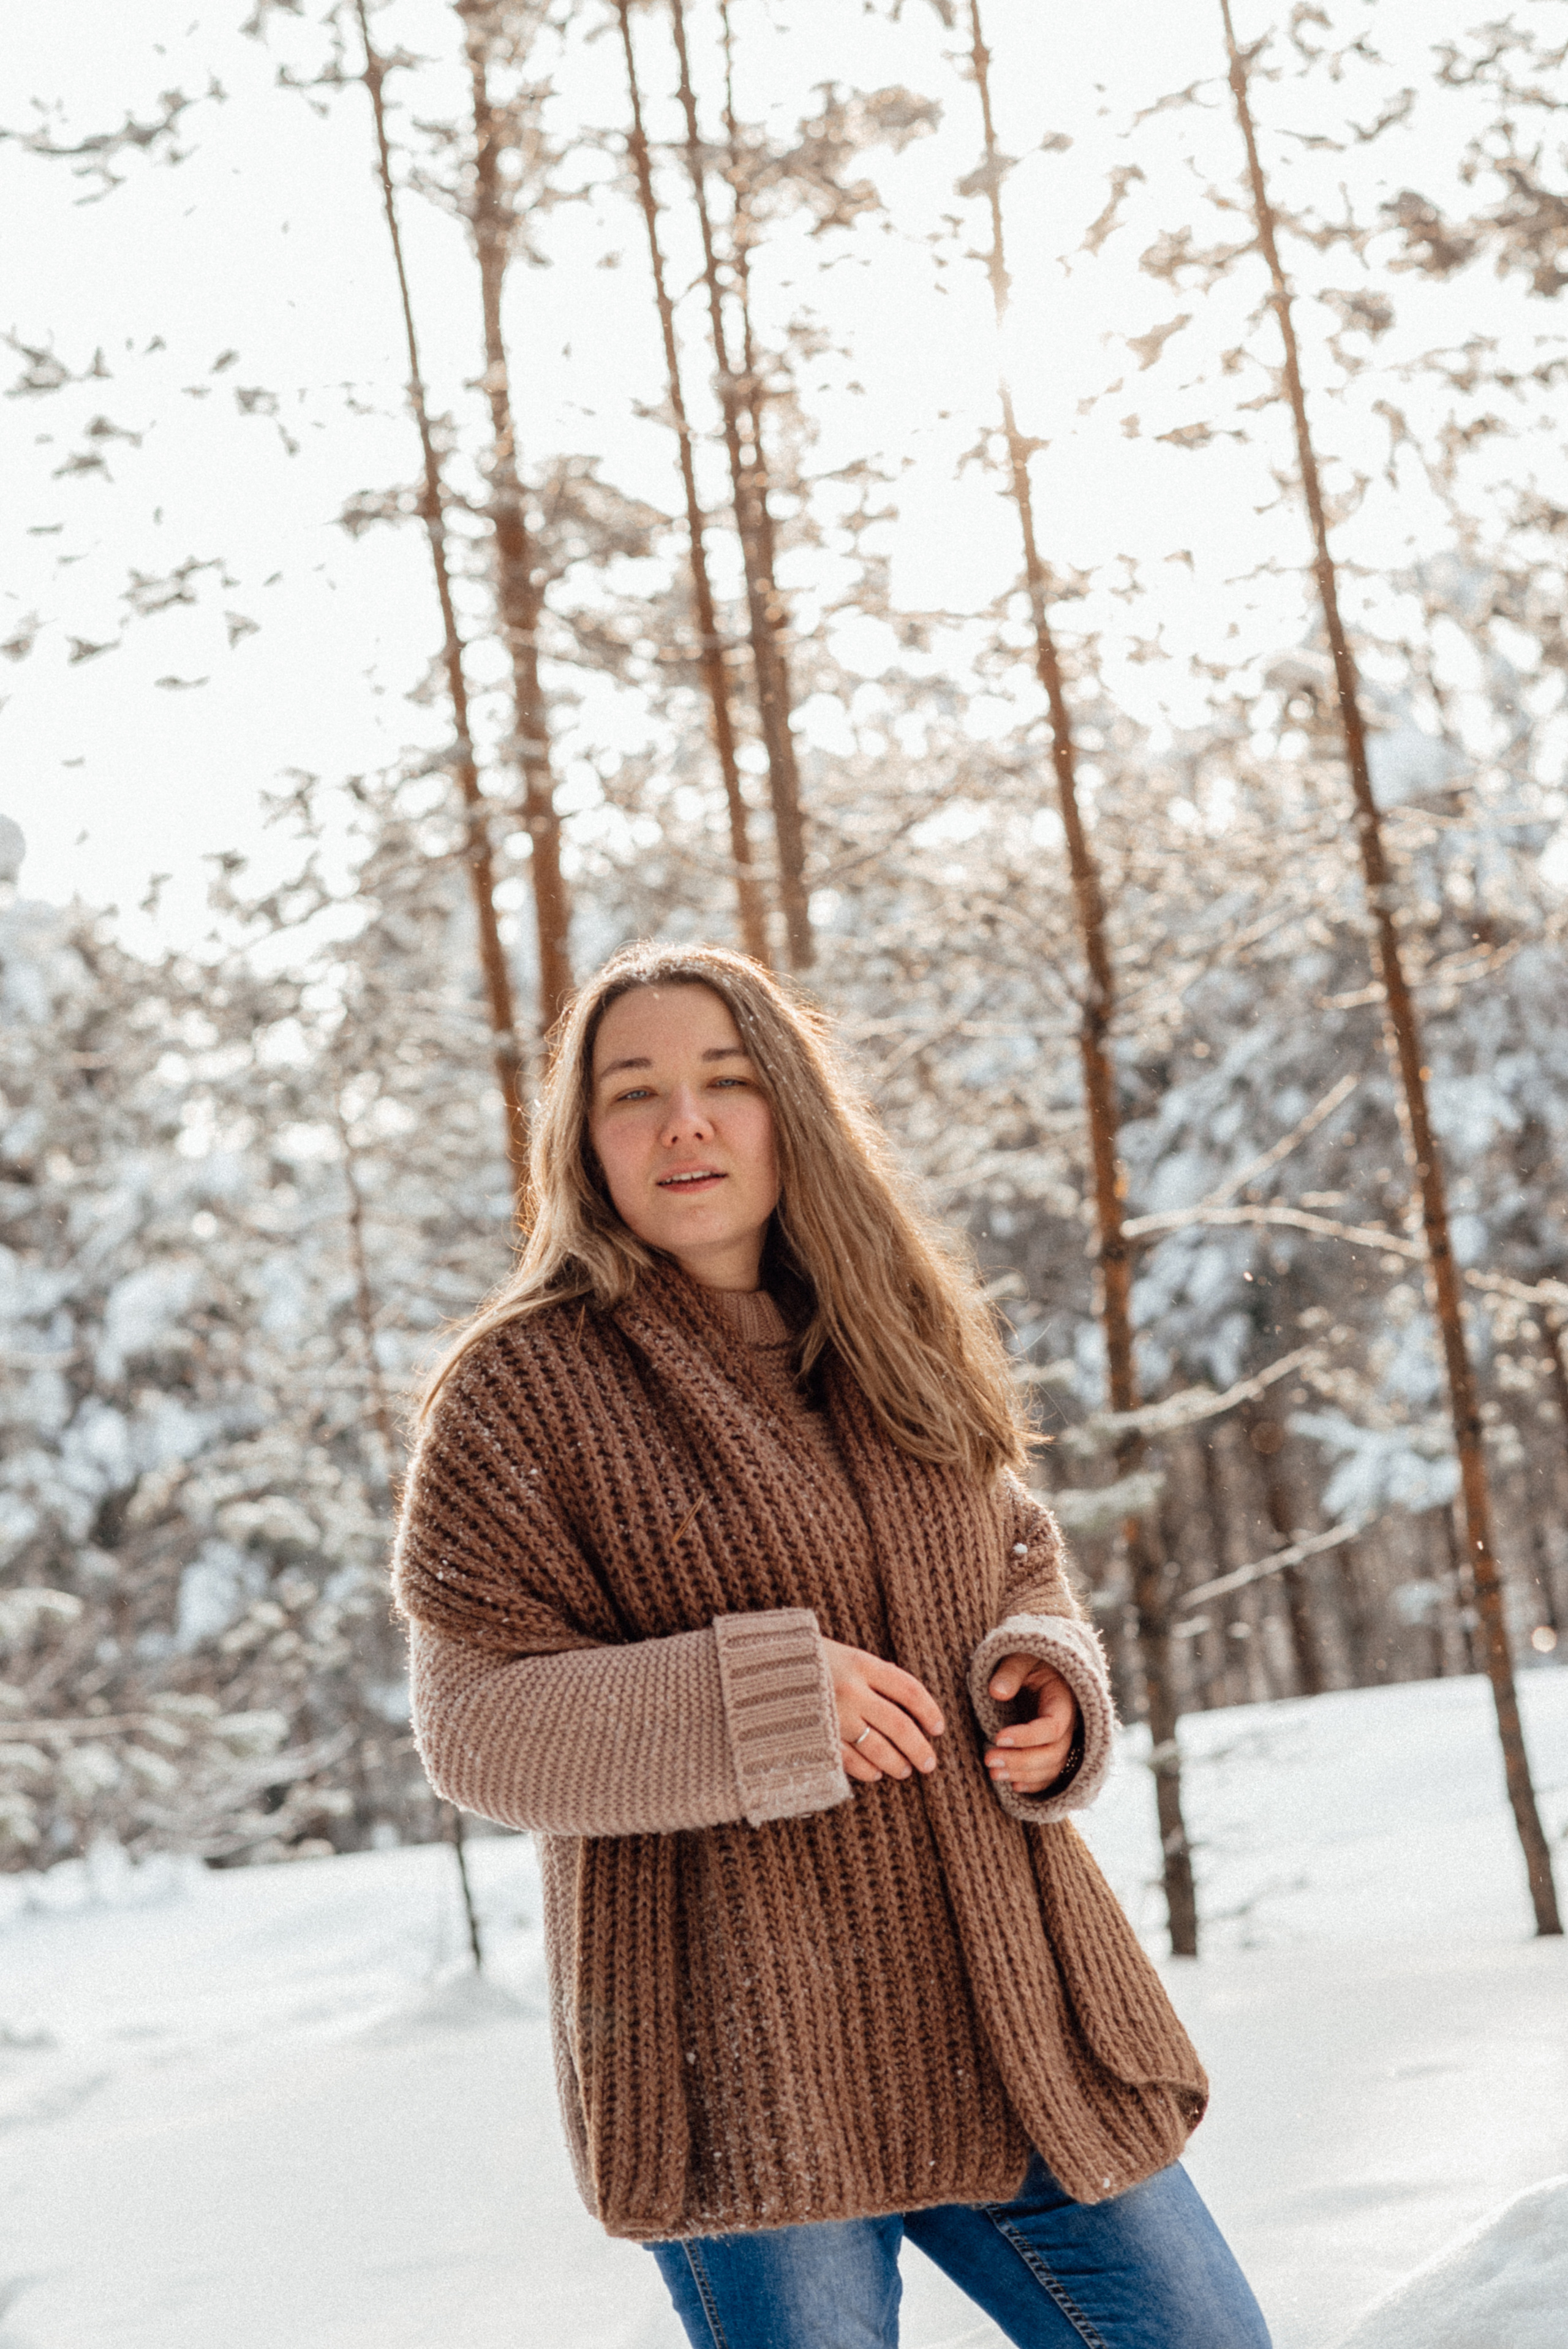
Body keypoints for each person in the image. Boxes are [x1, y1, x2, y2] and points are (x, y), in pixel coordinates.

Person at [394, 943, 1271, 2349]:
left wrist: (1045, 1670)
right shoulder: (519, 1389)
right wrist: (757, 1703)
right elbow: (478, 1724)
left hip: (1006, 2019)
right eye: (635, 1093)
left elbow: (1012, 1548)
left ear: (789, 1109)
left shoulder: (888, 1331)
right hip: (745, 2061)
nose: (684, 1122)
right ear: (583, 1143)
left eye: (724, 1081)